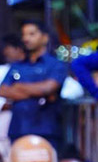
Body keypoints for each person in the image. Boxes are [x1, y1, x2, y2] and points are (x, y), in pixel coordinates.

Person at [1, 21, 69, 152]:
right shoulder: (17, 66)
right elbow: (3, 90)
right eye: (24, 35)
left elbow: (48, 88)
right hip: (18, 129)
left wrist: (18, 86)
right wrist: (37, 92)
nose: (26, 39)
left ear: (45, 37)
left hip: (46, 130)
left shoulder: (55, 64)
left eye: (31, 34)